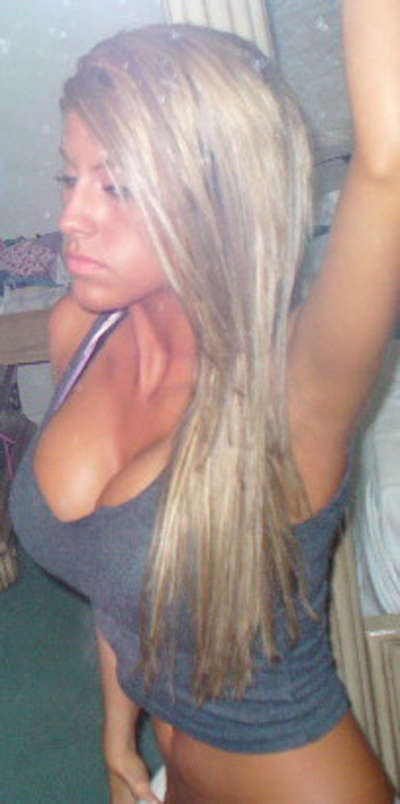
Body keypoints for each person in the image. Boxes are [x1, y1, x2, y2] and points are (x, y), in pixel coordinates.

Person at [9, 1, 400, 801]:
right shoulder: (81, 328)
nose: (70, 218)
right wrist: (117, 735)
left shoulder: (290, 391)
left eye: (116, 185)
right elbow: (119, 585)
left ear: (214, 194)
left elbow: (387, 166)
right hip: (174, 772)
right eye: (70, 177)